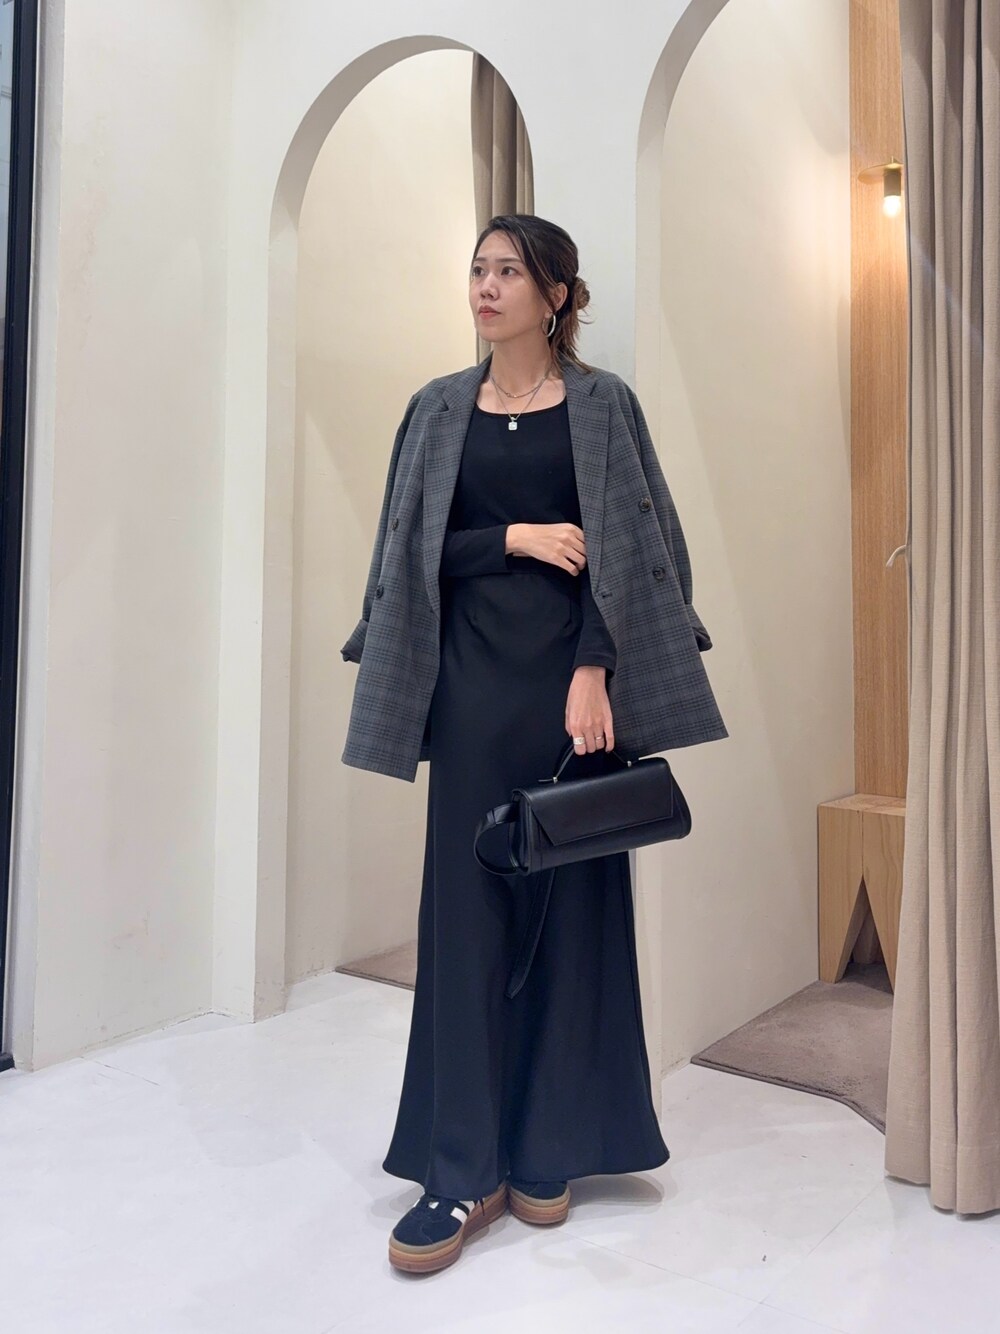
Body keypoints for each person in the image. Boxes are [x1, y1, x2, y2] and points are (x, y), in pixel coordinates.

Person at [340, 214, 727, 1274]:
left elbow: (639, 546)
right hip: (470, 690)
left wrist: (596, 667)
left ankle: (552, 1142)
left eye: (508, 270)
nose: (486, 285)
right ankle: (461, 1167)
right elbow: (408, 548)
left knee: (571, 908)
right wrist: (510, 537)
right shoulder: (436, 408)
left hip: (571, 694)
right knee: (466, 921)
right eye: (477, 268)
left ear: (556, 295)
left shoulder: (603, 405)